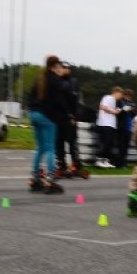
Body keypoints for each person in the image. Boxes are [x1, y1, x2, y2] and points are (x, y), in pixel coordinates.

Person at [25, 56, 70, 194]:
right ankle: (50, 178)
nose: (60, 69)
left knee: (40, 147)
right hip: (46, 116)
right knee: (51, 148)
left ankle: (35, 177)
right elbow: (60, 101)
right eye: (59, 67)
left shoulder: (40, 79)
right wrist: (67, 114)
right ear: (55, 66)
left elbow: (30, 96)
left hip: (33, 114)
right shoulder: (55, 80)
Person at [54, 62, 89, 179]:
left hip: (70, 117)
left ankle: (76, 164)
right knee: (59, 143)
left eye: (66, 68)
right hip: (59, 118)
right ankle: (61, 164)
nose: (64, 70)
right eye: (62, 68)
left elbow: (76, 101)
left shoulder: (73, 82)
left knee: (72, 142)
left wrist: (74, 116)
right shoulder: (57, 81)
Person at [95, 86, 123, 168]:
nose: (120, 96)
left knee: (110, 143)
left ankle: (106, 160)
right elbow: (102, 107)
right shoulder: (107, 97)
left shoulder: (114, 101)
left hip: (111, 124)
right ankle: (99, 160)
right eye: (120, 94)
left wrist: (118, 111)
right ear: (116, 92)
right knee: (105, 143)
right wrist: (114, 111)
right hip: (105, 123)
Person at [116, 88, 137, 168]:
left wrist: (132, 110)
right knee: (121, 146)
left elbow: (134, 112)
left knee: (126, 147)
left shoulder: (133, 103)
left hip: (129, 127)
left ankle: (124, 163)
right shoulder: (120, 102)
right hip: (121, 127)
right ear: (124, 95)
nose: (129, 97)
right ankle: (119, 163)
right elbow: (118, 113)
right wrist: (125, 109)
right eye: (128, 96)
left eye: (131, 96)